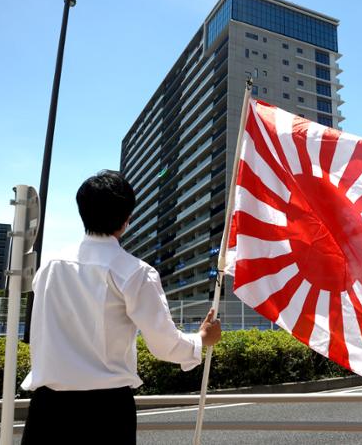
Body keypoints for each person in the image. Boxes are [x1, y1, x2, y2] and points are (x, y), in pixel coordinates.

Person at [20, 170, 221, 444]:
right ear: (127, 220)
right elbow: (164, 345)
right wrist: (202, 339)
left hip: (47, 408)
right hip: (106, 410)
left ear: (82, 212)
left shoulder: (49, 267)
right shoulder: (135, 272)